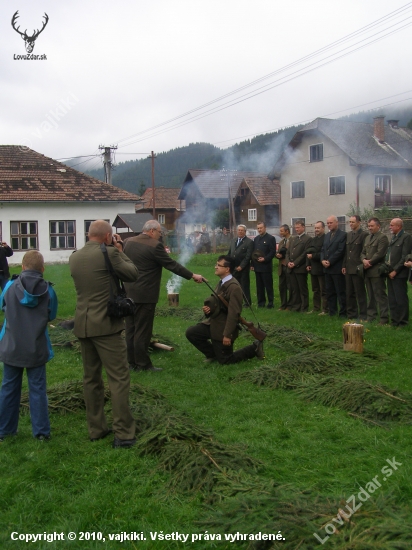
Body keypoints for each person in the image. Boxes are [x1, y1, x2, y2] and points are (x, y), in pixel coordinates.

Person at [69, 220, 139, 448]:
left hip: (83, 324)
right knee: (118, 378)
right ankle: (124, 433)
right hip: (106, 326)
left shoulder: (75, 256)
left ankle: (96, 429)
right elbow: (132, 274)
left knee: (91, 380)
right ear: (108, 236)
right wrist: (120, 250)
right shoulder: (110, 254)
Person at [123, 220, 204, 372]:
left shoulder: (128, 242)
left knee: (130, 329)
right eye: (160, 232)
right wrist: (192, 275)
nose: (160, 236)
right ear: (152, 231)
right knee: (142, 331)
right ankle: (143, 364)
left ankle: (131, 363)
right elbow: (172, 265)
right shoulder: (154, 246)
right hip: (145, 295)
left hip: (129, 293)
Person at [0, 251, 57, 442]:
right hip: (36, 347)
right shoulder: (49, 291)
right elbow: (52, 315)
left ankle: (5, 430)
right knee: (38, 389)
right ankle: (41, 432)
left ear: (23, 267)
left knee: (8, 387)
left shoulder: (8, 286)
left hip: (12, 346)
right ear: (43, 268)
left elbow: (3, 306)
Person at [185, 255, 263, 364]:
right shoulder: (222, 282)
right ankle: (212, 354)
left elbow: (234, 313)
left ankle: (254, 348)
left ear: (227, 269)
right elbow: (219, 305)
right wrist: (208, 310)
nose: (215, 267)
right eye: (216, 264)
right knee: (192, 333)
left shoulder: (233, 287)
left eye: (219, 265)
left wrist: (227, 335)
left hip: (223, 329)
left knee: (226, 360)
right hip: (213, 324)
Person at [360, 217, 389, 325]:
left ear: (378, 226)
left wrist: (369, 262)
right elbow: (362, 252)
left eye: (372, 226)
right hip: (367, 271)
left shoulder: (382, 237)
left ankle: (384, 318)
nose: (370, 228)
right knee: (370, 295)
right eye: (369, 226)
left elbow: (380, 253)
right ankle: (371, 316)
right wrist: (363, 260)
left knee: (380, 295)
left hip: (377, 270)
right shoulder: (367, 238)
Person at [342, 215, 368, 321]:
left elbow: (364, 251)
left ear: (359, 222)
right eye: (350, 222)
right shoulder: (348, 235)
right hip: (348, 267)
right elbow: (346, 252)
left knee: (360, 292)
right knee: (349, 292)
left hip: (358, 267)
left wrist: (362, 265)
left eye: (353, 222)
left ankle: (363, 314)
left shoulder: (364, 235)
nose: (351, 224)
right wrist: (344, 265)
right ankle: (351, 313)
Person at [386, 218, 411, 327]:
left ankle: (403, 322)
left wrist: (395, 271)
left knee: (400, 299)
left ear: (399, 226)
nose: (390, 227)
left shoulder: (406, 237)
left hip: (399, 274)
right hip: (390, 272)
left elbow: (404, 256)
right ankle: (394, 321)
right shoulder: (394, 238)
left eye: (392, 225)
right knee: (392, 299)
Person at [321, 216, 347, 317]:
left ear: (337, 223)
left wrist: (330, 261)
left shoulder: (343, 235)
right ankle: (332, 311)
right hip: (327, 269)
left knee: (340, 291)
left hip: (336, 268)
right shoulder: (327, 236)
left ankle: (343, 312)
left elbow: (340, 251)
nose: (329, 225)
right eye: (327, 223)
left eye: (331, 223)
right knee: (329, 291)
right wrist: (322, 260)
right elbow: (323, 249)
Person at [286, 219, 312, 312]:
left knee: (302, 289)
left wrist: (295, 263)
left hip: (300, 268)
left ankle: (304, 307)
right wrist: (288, 261)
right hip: (291, 268)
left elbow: (305, 253)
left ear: (303, 227)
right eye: (295, 227)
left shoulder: (307, 239)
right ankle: (296, 306)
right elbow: (288, 252)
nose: (296, 229)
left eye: (298, 227)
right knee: (294, 289)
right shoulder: (293, 239)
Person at [252, 221, 277, 308]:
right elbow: (254, 253)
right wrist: (252, 264)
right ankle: (261, 302)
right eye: (258, 228)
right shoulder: (256, 239)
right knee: (259, 286)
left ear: (265, 228)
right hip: (257, 266)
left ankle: (270, 302)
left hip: (266, 266)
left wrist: (265, 258)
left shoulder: (270, 238)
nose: (259, 230)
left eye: (261, 228)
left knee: (268, 285)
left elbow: (272, 251)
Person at [227, 224, 253, 307]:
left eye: (242, 230)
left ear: (245, 232)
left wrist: (241, 266)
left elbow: (248, 256)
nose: (240, 231)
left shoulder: (249, 242)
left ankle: (247, 302)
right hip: (233, 267)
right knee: (234, 285)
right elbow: (230, 253)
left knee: (244, 285)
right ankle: (237, 301)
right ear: (237, 231)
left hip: (243, 268)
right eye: (239, 230)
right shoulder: (233, 241)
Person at [306, 221, 328, 315]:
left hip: (321, 268)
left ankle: (325, 309)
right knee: (315, 289)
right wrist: (308, 264)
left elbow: (324, 253)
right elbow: (308, 252)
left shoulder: (326, 239)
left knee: (323, 290)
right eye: (315, 228)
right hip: (313, 268)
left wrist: (313, 256)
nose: (316, 230)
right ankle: (316, 307)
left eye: (318, 228)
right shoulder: (313, 240)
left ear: (323, 228)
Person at [276, 224, 291, 310]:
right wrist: (278, 255)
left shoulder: (292, 240)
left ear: (287, 231)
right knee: (282, 287)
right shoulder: (281, 242)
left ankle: (290, 305)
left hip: (289, 266)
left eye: (281, 231)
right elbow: (279, 252)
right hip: (281, 267)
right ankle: (283, 304)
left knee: (290, 286)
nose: (280, 232)